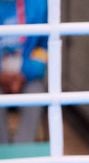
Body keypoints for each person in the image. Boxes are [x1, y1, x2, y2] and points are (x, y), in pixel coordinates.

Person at [0, 0, 48, 143]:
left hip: (27, 77)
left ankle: (23, 151)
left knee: (36, 91)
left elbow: (45, 48)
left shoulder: (39, 4)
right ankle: (3, 153)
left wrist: (24, 72)